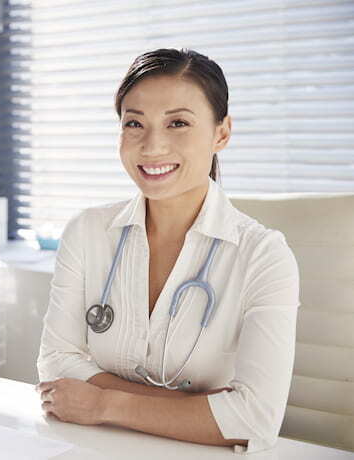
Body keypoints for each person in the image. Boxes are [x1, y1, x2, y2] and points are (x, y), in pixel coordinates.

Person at [35, 48, 301, 454]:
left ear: (221, 133)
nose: (152, 145)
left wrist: (105, 403)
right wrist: (199, 410)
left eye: (178, 123)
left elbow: (254, 419)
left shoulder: (263, 256)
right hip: (94, 446)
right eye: (135, 123)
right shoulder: (87, 232)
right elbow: (56, 362)